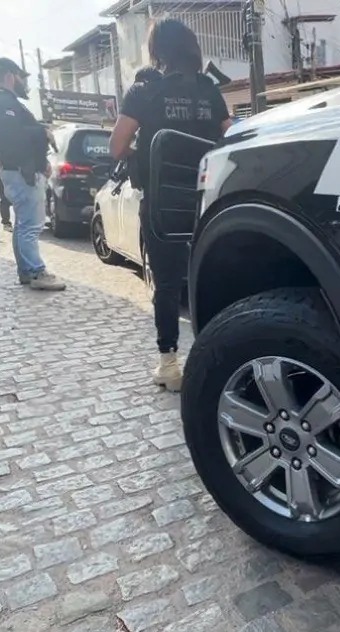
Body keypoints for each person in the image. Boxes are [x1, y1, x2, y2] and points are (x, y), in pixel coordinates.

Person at [109, 20, 231, 390]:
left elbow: (117, 146)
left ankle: (169, 364)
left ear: (157, 50)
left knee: (166, 284)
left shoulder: (144, 90)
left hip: (164, 204)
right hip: (207, 201)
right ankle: (218, 358)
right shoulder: (208, 90)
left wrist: (142, 155)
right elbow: (231, 137)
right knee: (213, 278)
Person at [0, 57, 65, 291]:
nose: (24, 83)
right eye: (21, 77)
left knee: (23, 225)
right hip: (22, 174)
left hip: (24, 171)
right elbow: (13, 138)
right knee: (30, 225)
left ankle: (27, 271)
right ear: (10, 76)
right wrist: (42, 133)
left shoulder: (6, 102)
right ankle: (36, 271)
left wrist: (41, 159)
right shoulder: (1, 102)